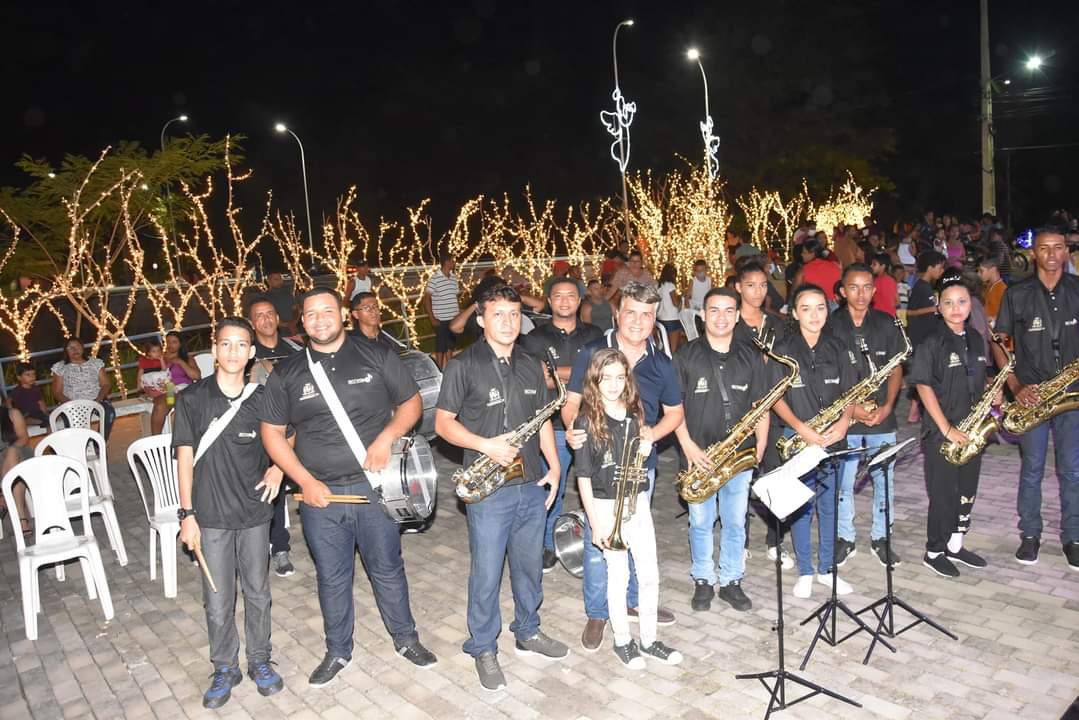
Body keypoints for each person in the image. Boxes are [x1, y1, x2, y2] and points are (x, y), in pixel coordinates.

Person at [260, 288, 437, 687]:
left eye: (328, 311)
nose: (320, 319)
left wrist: (386, 438)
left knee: (387, 567)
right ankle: (338, 649)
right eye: (311, 314)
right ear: (302, 322)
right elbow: (271, 433)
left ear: (343, 314)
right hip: (320, 494)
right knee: (332, 576)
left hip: (375, 487)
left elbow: (412, 403)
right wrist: (304, 480)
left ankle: (406, 639)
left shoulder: (375, 354)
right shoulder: (288, 373)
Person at [434, 284, 568, 691]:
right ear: (480, 319)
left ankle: (528, 631)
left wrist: (556, 465)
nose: (508, 322)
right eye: (498, 314)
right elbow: (443, 423)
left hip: (529, 481)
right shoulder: (462, 365)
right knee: (488, 571)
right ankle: (483, 646)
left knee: (528, 566)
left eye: (514, 314)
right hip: (489, 486)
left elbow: (542, 417)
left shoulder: (531, 363)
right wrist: (484, 445)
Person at [563, 281, 684, 651]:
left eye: (647, 315)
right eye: (631, 312)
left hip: (638, 463)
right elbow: (571, 402)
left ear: (655, 319)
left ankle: (633, 604)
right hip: (598, 462)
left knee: (636, 539)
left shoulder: (663, 363)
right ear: (618, 313)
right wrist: (572, 431)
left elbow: (675, 415)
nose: (638, 321)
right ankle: (598, 612)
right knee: (599, 540)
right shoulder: (592, 352)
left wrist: (652, 434)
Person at [173, 318, 286, 708]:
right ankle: (224, 666)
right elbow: (184, 459)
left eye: (242, 345)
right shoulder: (192, 399)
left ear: (252, 352)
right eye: (226, 344)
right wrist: (187, 514)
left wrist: (278, 467)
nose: (234, 351)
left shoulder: (263, 397)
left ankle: (259, 660)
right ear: (214, 350)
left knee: (258, 592)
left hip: (255, 512)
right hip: (211, 516)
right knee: (217, 597)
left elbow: (289, 433)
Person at [576, 348, 683, 668]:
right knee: (618, 577)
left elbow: (637, 458)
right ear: (595, 381)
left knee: (649, 574)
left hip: (637, 505)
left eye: (619, 378)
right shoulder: (587, 420)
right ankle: (623, 640)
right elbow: (582, 477)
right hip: (606, 506)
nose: (612, 384)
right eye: (605, 378)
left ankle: (649, 639)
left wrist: (646, 446)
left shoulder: (636, 414)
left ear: (627, 381)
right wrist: (595, 524)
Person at [675, 289, 770, 613]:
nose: (722, 317)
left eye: (729, 311)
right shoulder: (686, 355)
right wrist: (687, 445)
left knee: (735, 522)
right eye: (714, 310)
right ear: (702, 315)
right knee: (700, 522)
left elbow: (761, 406)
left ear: (738, 315)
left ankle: (731, 580)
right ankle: (703, 578)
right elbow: (673, 408)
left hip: (739, 455)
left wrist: (761, 445)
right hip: (699, 455)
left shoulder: (750, 355)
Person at [993, 226, 1079, 571]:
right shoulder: (1017, 294)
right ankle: (1030, 536)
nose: (1053, 255)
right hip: (1031, 395)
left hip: (1072, 396)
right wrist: (1014, 386)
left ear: (1066, 252)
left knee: (1072, 471)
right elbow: (998, 343)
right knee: (1032, 470)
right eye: (1045, 248)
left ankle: (1073, 537)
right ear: (1034, 254)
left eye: (1059, 248)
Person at [770, 284, 857, 598]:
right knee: (802, 507)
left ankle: (827, 570)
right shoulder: (782, 349)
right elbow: (775, 398)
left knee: (829, 505)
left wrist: (845, 422)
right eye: (805, 308)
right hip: (798, 438)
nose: (814, 314)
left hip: (832, 437)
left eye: (820, 307)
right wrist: (800, 428)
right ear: (794, 313)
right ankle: (806, 570)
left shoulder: (838, 347)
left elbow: (849, 394)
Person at [518, 277, 602, 573]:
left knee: (596, 486)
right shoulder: (533, 339)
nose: (565, 300)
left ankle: (596, 540)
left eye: (571, 295)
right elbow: (533, 378)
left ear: (579, 301)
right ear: (549, 301)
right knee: (550, 488)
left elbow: (600, 373)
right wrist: (580, 372)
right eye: (558, 296)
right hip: (550, 426)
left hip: (592, 424)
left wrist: (557, 373)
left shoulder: (596, 336)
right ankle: (545, 545)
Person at [910, 276, 993, 578]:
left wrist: (991, 390)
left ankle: (956, 545)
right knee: (943, 494)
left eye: (962, 302)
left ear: (971, 305)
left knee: (966, 490)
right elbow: (922, 385)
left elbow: (978, 376)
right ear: (938, 307)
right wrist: (946, 429)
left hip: (972, 430)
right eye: (948, 302)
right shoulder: (931, 343)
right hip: (942, 434)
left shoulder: (976, 337)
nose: (956, 308)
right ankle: (934, 551)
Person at [830, 263, 906, 567]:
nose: (860, 294)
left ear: (874, 291)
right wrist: (852, 411)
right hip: (845, 418)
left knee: (884, 480)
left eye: (866, 287)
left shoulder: (888, 324)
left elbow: (897, 369)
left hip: (881, 417)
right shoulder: (830, 325)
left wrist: (887, 406)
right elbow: (827, 375)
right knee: (843, 483)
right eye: (853, 287)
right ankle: (844, 537)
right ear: (842, 291)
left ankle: (881, 537)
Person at [734, 259, 791, 567]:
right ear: (738, 287)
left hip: (774, 410)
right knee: (741, 480)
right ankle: (739, 539)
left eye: (763, 285)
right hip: (741, 412)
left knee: (775, 476)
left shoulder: (776, 323)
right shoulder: (729, 322)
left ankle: (775, 539)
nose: (757, 291)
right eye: (751, 285)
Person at [248, 296, 305, 577]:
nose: (266, 319)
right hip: (268, 432)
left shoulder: (295, 348)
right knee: (273, 486)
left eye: (270, 313)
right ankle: (279, 547)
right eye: (259, 315)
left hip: (302, 428)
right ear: (252, 322)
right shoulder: (246, 355)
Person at [906, 250, 947, 423]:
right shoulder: (921, 286)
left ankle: (916, 411)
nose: (941, 271)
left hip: (927, 337)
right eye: (940, 267)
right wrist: (934, 309)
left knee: (926, 375)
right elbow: (910, 312)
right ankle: (917, 411)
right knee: (925, 375)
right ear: (931, 267)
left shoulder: (927, 286)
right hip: (921, 338)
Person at [51, 337, 115, 439]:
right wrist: (72, 404)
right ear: (66, 351)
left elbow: (106, 384)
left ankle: (99, 443)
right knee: (72, 423)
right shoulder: (60, 367)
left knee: (109, 413)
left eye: (77, 346)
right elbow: (57, 392)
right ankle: (79, 447)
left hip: (96, 399)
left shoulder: (95, 363)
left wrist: (98, 399)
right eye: (70, 348)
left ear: (82, 347)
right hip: (72, 403)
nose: (75, 350)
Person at [423, 253, 461, 369]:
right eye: (453, 261)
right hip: (441, 318)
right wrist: (432, 318)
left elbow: (455, 296)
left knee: (451, 344)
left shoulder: (454, 277)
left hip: (453, 318)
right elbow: (426, 299)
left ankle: (450, 367)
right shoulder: (435, 278)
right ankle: (439, 369)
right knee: (441, 346)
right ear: (447, 262)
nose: (454, 263)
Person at [0, 404, 33, 534]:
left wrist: (11, 450)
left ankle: (3, 494)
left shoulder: (12, 413)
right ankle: (22, 521)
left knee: (13, 456)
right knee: (14, 470)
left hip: (20, 452)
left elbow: (23, 438)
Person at [136, 340, 171, 434]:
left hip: (163, 385)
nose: (157, 353)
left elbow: (164, 371)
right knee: (160, 400)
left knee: (168, 393)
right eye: (154, 351)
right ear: (148, 353)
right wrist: (139, 385)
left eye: (159, 351)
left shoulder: (161, 360)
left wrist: (161, 360)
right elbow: (140, 373)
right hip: (150, 382)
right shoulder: (144, 361)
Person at [793, 238, 842, 307]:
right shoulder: (835, 265)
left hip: (817, 305)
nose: (801, 254)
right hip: (837, 305)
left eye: (804, 252)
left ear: (812, 253)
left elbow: (794, 293)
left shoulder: (803, 271)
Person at [656, 263, 684, 352]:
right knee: (673, 350)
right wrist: (680, 298)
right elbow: (675, 303)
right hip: (672, 319)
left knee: (665, 347)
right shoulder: (670, 285)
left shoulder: (659, 286)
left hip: (661, 319)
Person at [977, 255, 1007, 326]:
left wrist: (993, 318)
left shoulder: (1002, 290)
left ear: (993, 269)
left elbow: (1008, 316)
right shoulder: (989, 285)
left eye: (981, 271)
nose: (978, 274)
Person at [869, 253, 898, 317]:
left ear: (883, 266)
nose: (871, 266)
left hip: (881, 316)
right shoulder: (891, 280)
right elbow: (897, 301)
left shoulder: (879, 280)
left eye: (874, 264)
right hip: (888, 315)